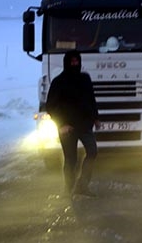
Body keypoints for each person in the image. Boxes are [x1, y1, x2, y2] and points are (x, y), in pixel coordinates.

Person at [45, 50, 101, 197]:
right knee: (71, 159)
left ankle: (82, 186)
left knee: (92, 151)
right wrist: (61, 124)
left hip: (84, 125)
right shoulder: (59, 82)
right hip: (67, 128)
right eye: (72, 61)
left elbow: (91, 99)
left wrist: (95, 117)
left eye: (77, 61)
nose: (75, 64)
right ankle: (69, 190)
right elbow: (50, 106)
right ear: (67, 63)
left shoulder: (85, 79)